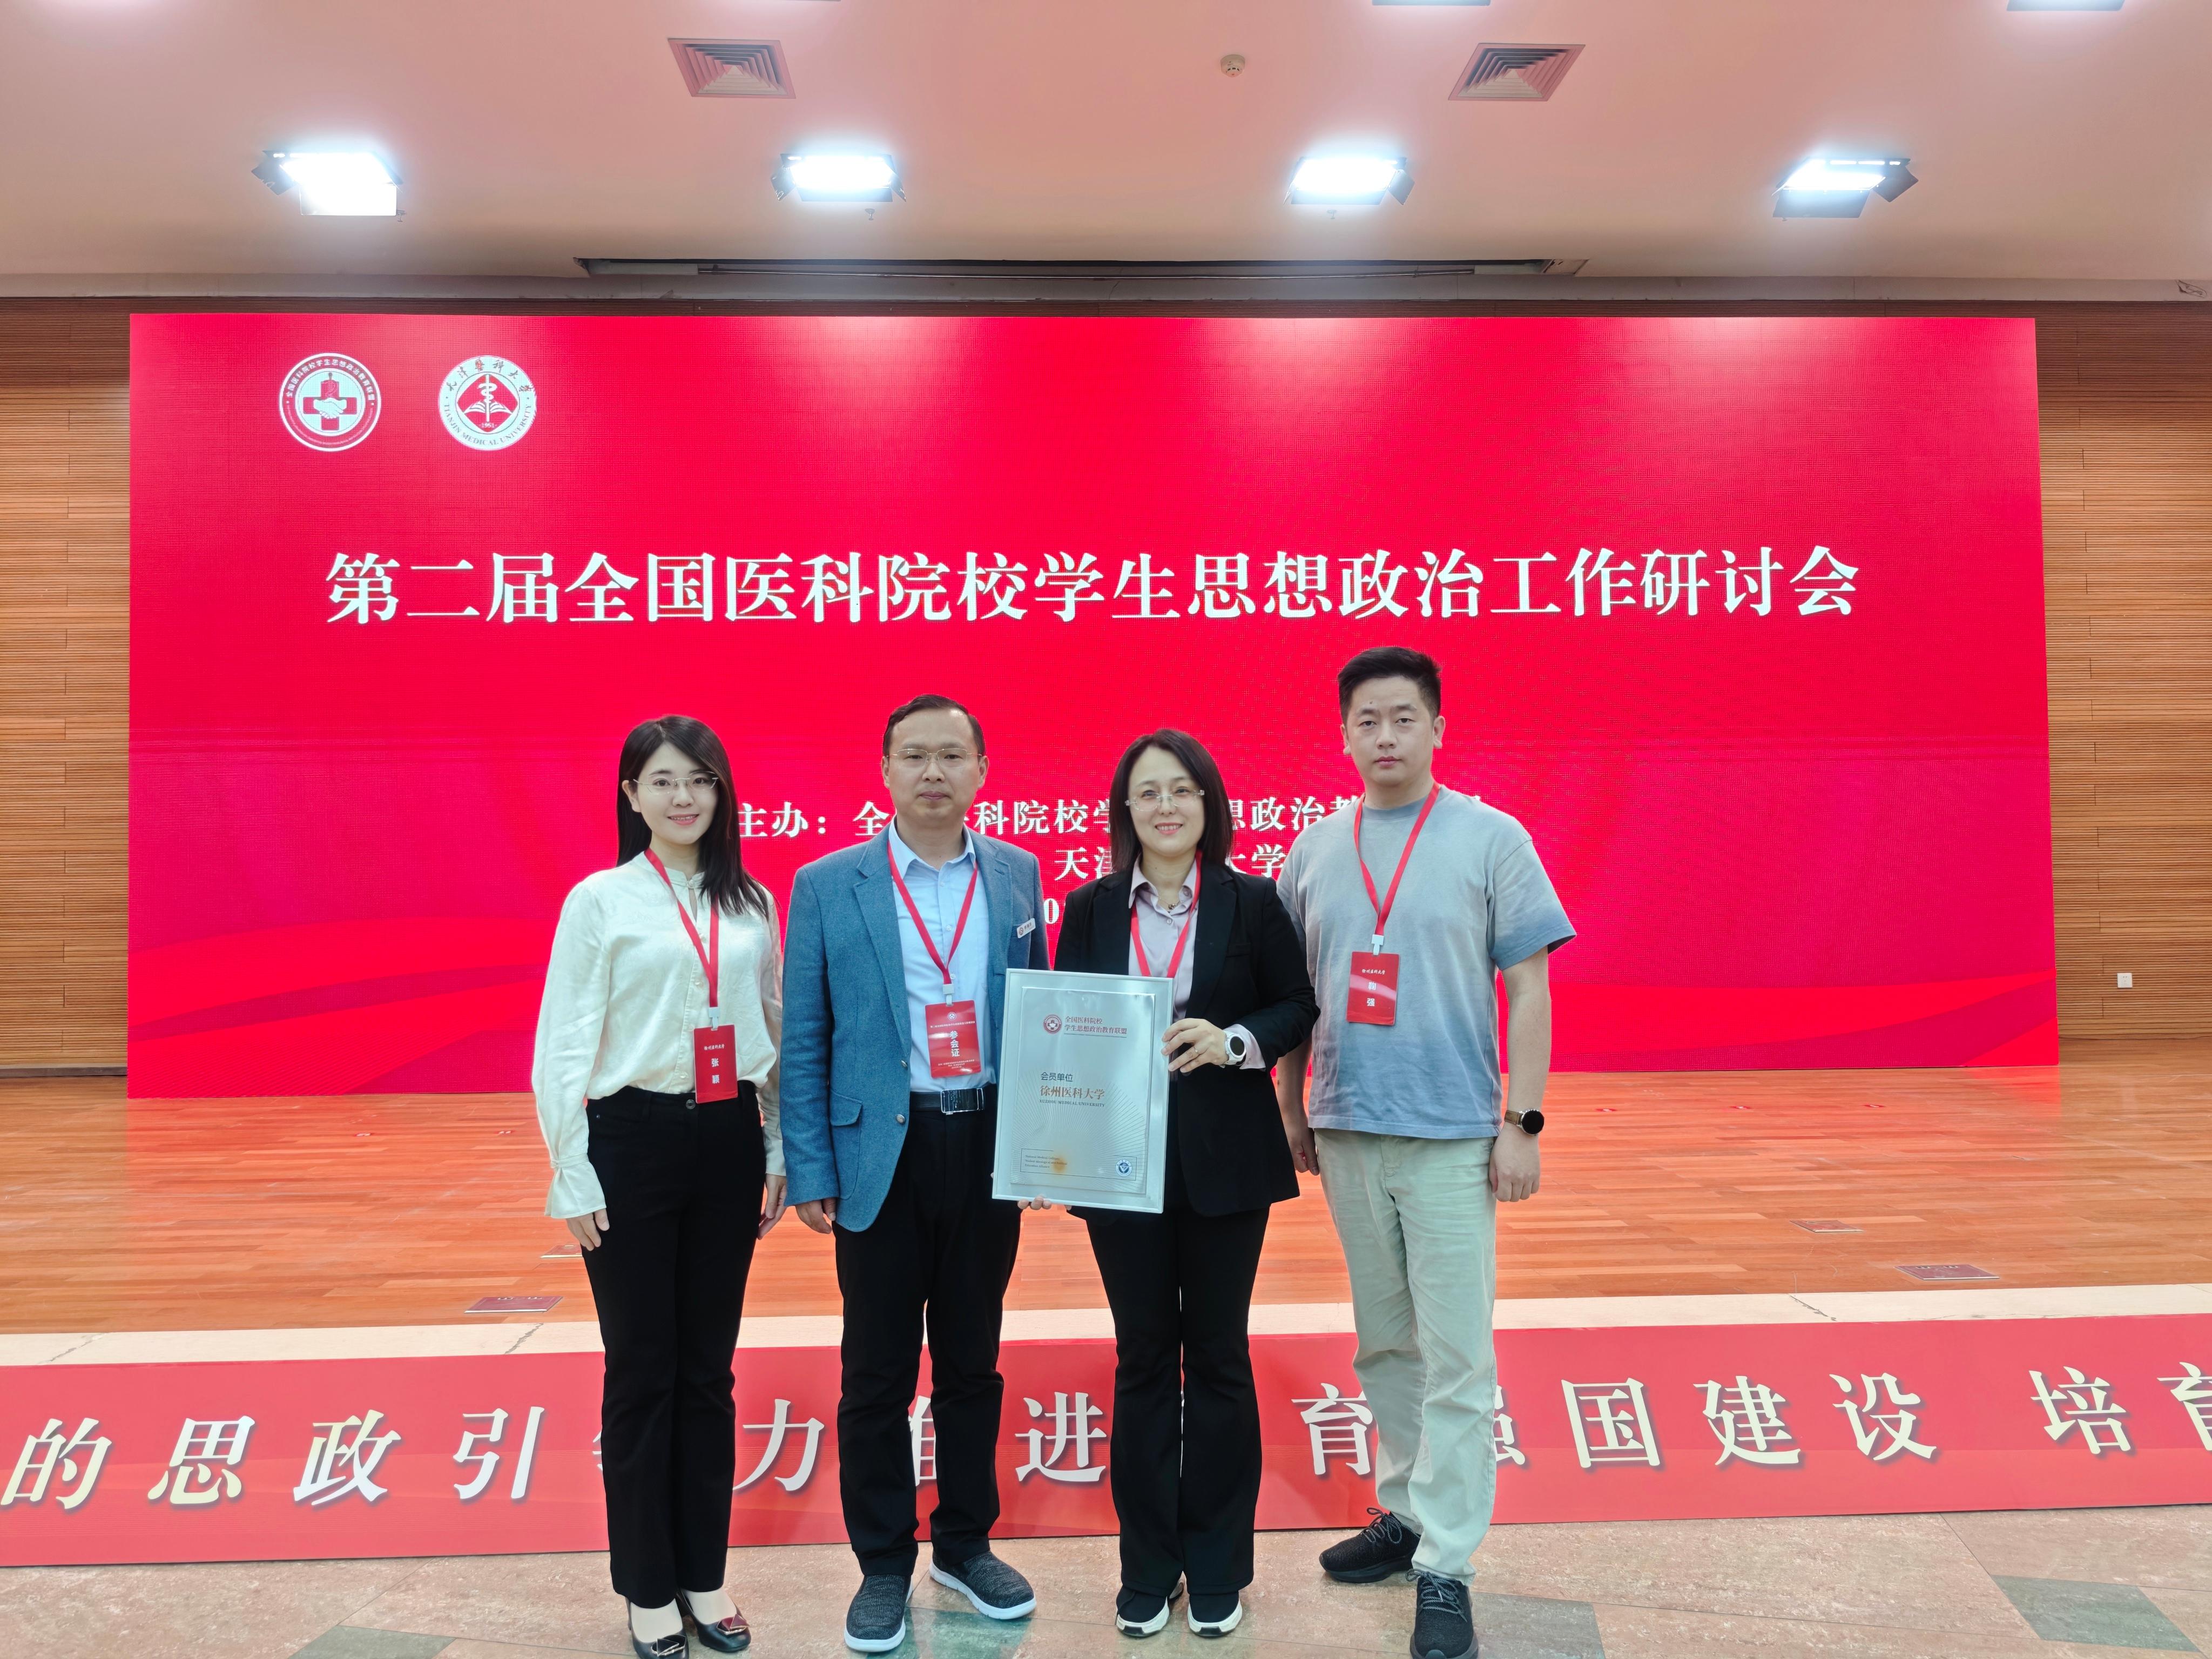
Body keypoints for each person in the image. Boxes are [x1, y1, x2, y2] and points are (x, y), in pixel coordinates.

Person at [1273, 648, 1574, 1659]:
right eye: (1368, 721)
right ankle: (1403, 1511)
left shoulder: (1492, 838)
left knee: (1456, 1357)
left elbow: (1528, 988)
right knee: (1385, 1345)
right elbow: (1296, 999)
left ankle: (1448, 1564)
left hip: (1452, 1137)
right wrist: (1291, 1104)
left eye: (1404, 718)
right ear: (1344, 735)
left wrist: (1522, 1123)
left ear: (1438, 728)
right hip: (1349, 1131)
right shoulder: (1313, 851)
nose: (1386, 737)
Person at [779, 693, 1050, 1655]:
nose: (933, 772)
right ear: (886, 770)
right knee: (877, 1371)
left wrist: (1045, 1141)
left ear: (982, 770)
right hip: (878, 1156)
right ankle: (884, 1563)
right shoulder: (827, 883)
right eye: (914, 756)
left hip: (984, 1147)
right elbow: (804, 1035)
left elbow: (1039, 1018)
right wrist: (809, 1164)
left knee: (973, 1360)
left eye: (951, 755)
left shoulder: (1017, 875)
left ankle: (965, 1545)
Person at [531, 715, 787, 1659]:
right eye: (664, 781)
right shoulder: (599, 901)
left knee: (708, 1372)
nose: (685, 797)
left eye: (701, 780)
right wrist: (571, 1168)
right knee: (642, 1368)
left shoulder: (751, 901)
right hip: (630, 1140)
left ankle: (704, 1576)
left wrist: (775, 1149)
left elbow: (772, 1030)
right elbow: (564, 1040)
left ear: (722, 793)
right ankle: (647, 1586)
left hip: (726, 1138)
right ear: (631, 796)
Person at [1054, 730, 1318, 1640]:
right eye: (1148, 792)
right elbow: (1064, 1025)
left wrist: (1235, 1041)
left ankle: (1217, 1567)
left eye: (1182, 790)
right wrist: (1049, 1148)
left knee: (1216, 1357)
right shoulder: (1089, 909)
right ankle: (1147, 1567)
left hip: (1225, 1162)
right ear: (1125, 811)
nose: (1165, 806)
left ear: (1209, 804)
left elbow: (1296, 1004)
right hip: (1118, 1165)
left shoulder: (1253, 901)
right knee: (1140, 1359)